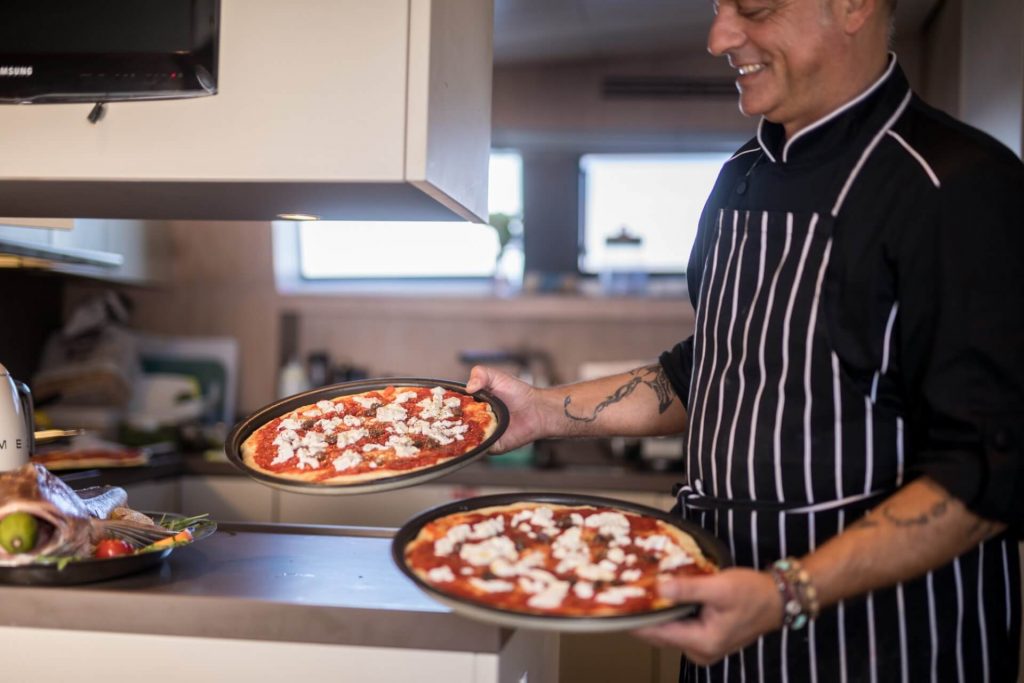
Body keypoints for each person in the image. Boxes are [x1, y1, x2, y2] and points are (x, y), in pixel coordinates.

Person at [465, 0, 1024, 680]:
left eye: (754, 8)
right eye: (719, 8)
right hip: (727, 642)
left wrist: (786, 592)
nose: (718, 37)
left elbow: (983, 473)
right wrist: (542, 411)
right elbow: (709, 371)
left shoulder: (958, 187)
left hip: (883, 650)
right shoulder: (738, 179)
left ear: (852, 6)